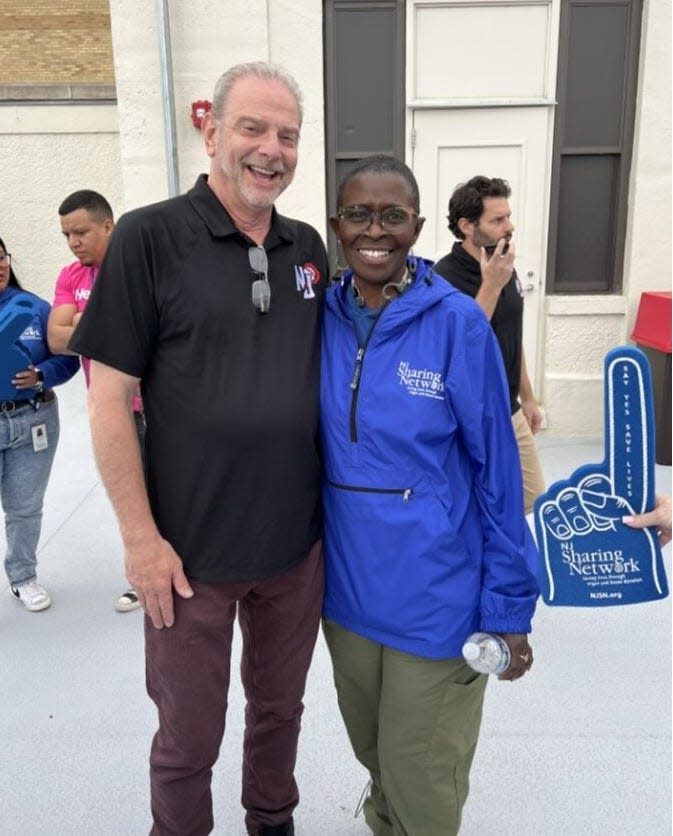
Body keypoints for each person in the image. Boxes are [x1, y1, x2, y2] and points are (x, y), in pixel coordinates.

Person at [69, 62, 327, 836]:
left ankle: (271, 820)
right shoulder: (149, 237)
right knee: (188, 736)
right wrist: (140, 540)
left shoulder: (306, 247)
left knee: (280, 710)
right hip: (186, 558)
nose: (270, 149)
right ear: (210, 129)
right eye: (252, 127)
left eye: (287, 135)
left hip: (294, 548)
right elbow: (108, 396)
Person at [320, 155, 539, 836]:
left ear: (416, 227)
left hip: (436, 596)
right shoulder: (318, 318)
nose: (374, 230)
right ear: (336, 226)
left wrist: (508, 605)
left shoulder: (455, 323)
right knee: (376, 753)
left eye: (392, 215)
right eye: (359, 214)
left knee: (422, 772)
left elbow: (497, 478)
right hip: (346, 597)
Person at [47, 189, 143, 613]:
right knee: (128, 496)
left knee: (169, 493)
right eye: (66, 235)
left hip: (157, 405)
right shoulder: (70, 276)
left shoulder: (139, 270)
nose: (73, 242)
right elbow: (56, 339)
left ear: (108, 225)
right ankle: (140, 578)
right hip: (108, 410)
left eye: (80, 232)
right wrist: (107, 320)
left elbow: (150, 334)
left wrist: (83, 322)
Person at [433, 176, 545, 514]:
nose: (509, 227)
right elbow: (462, 347)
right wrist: (491, 285)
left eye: (508, 216)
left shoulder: (503, 263)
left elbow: (512, 333)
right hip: (469, 418)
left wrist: (527, 396)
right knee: (478, 509)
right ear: (467, 226)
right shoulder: (442, 279)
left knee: (535, 500)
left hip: (508, 409)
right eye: (497, 220)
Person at [0, 238, 79, 611]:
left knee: (25, 507)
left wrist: (42, 375)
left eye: (0, 256)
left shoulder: (33, 308)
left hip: (33, 419)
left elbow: (68, 358)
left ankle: (23, 577)